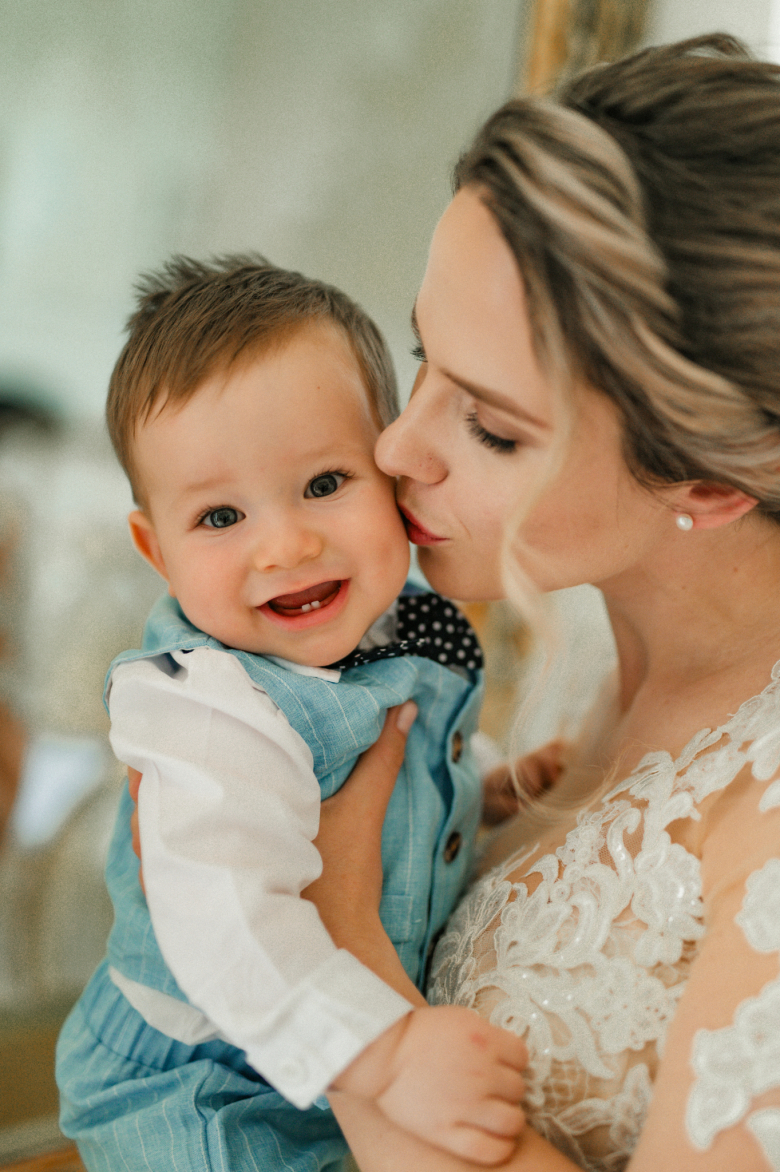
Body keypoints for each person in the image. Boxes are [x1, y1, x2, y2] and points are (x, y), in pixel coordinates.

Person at [292, 33, 780, 1172]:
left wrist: (338, 955)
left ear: (707, 482)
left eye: (493, 427)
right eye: (424, 352)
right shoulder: (572, 659)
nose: (397, 446)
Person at [55, 258, 528, 1172]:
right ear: (156, 550)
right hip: (205, 1083)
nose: (286, 544)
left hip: (339, 1050)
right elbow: (228, 923)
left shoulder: (400, 630)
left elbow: (395, 764)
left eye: (323, 484)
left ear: (390, 472)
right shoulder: (207, 708)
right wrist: (385, 1055)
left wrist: (485, 786)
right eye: (220, 516)